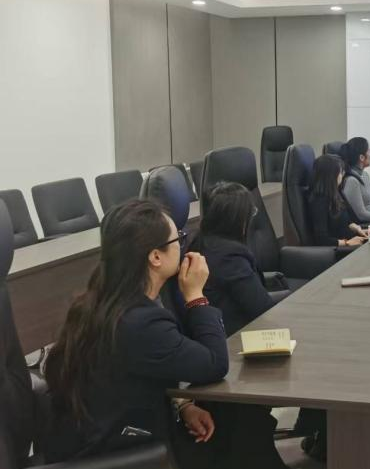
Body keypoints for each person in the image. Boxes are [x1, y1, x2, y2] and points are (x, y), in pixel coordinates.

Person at [43, 199, 287, 469]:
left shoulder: (104, 302)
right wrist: (196, 296)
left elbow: (146, 370)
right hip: (120, 450)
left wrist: (183, 406)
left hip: (103, 432)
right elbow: (215, 364)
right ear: (155, 257)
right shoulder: (140, 322)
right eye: (178, 239)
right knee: (241, 426)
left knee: (239, 418)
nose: (184, 246)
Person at [197, 182, 286, 336]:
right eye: (250, 213)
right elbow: (262, 309)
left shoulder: (201, 242)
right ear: (238, 219)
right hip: (240, 336)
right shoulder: (230, 258)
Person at [308, 154, 367, 247]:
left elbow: (346, 220)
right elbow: (321, 239)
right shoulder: (319, 201)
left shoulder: (336, 193)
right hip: (339, 250)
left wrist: (355, 228)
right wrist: (346, 243)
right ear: (330, 175)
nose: (342, 175)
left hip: (351, 241)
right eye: (340, 172)